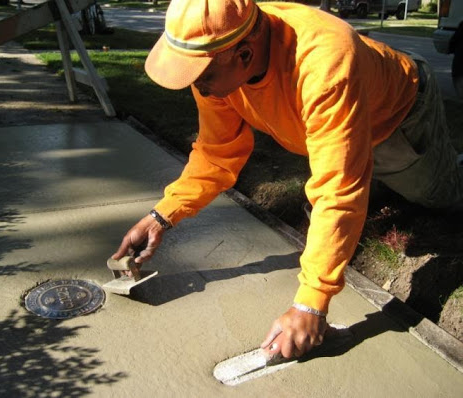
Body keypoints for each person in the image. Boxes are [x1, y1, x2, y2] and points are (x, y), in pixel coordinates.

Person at [113, 0, 463, 359]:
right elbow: (217, 153)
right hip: (346, 117)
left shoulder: (323, 60)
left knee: (441, 197)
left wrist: (311, 304)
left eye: (202, 79)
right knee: (354, 183)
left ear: (245, 55)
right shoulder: (218, 55)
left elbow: (337, 188)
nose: (199, 89)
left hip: (397, 115)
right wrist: (162, 215)